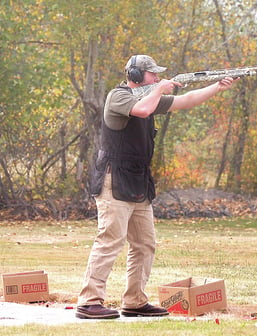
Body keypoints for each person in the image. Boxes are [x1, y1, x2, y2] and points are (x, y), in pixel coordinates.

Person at [76, 55, 236, 319]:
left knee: (145, 244)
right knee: (110, 240)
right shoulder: (119, 96)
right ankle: (89, 301)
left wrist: (217, 87)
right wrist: (160, 89)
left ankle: (135, 301)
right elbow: (142, 110)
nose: (157, 78)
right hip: (113, 178)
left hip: (138, 179)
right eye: (152, 75)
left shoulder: (150, 96)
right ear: (137, 75)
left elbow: (185, 101)